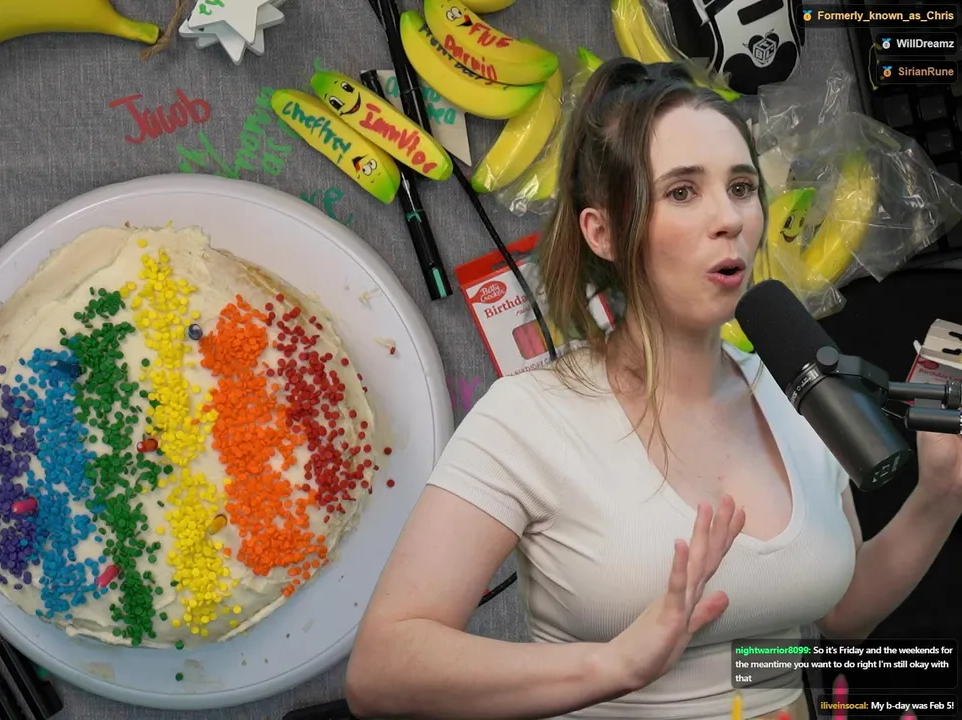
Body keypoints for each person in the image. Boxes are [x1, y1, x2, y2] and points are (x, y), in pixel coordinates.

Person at [343, 58, 962, 720]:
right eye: (683, 192)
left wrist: (942, 493)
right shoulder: (529, 417)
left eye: (742, 186)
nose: (729, 218)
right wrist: (614, 666)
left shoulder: (802, 392)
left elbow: (842, 617)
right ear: (604, 232)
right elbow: (381, 671)